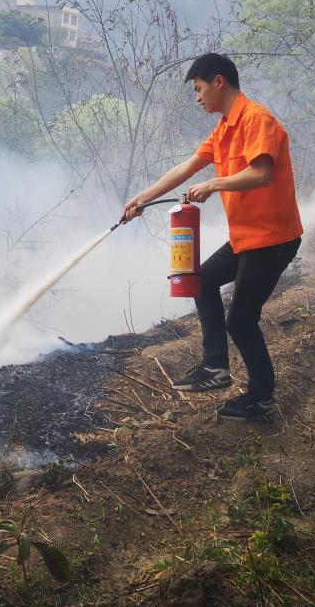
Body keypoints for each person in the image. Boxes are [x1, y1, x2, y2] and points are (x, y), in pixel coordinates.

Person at [121, 53, 303, 422]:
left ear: (219, 82)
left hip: (273, 237)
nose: (197, 97)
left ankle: (261, 398)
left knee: (241, 318)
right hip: (248, 237)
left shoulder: (256, 120)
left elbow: (261, 174)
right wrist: (142, 198)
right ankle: (216, 366)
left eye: (199, 89)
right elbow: (186, 167)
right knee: (199, 280)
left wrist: (213, 184)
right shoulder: (223, 130)